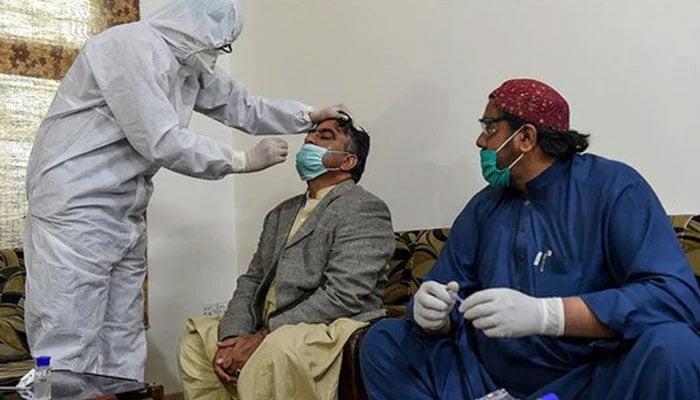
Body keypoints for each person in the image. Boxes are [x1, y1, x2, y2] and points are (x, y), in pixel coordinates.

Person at [24, 0, 352, 380]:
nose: (218, 54)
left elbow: (243, 106)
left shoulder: (187, 65)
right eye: (220, 44)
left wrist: (307, 114)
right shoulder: (127, 47)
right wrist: (240, 160)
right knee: (68, 333)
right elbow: (161, 140)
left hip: (124, 211)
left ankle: (122, 392)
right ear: (198, 29)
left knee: (123, 333)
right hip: (75, 204)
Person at [359, 78, 700, 399]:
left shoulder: (614, 187)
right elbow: (449, 288)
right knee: (383, 342)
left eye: (489, 128)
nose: (480, 141)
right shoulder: (484, 206)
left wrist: (548, 314)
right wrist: (431, 315)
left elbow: (675, 297)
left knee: (674, 347)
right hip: (486, 381)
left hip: (585, 379)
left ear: (526, 137)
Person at [177, 116, 395, 400]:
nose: (309, 140)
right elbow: (252, 280)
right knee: (196, 340)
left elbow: (345, 294)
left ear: (348, 162)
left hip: (333, 326)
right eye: (311, 134)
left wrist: (264, 335)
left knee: (276, 349)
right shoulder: (281, 212)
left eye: (325, 136)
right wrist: (233, 336)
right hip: (268, 326)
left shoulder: (364, 208)